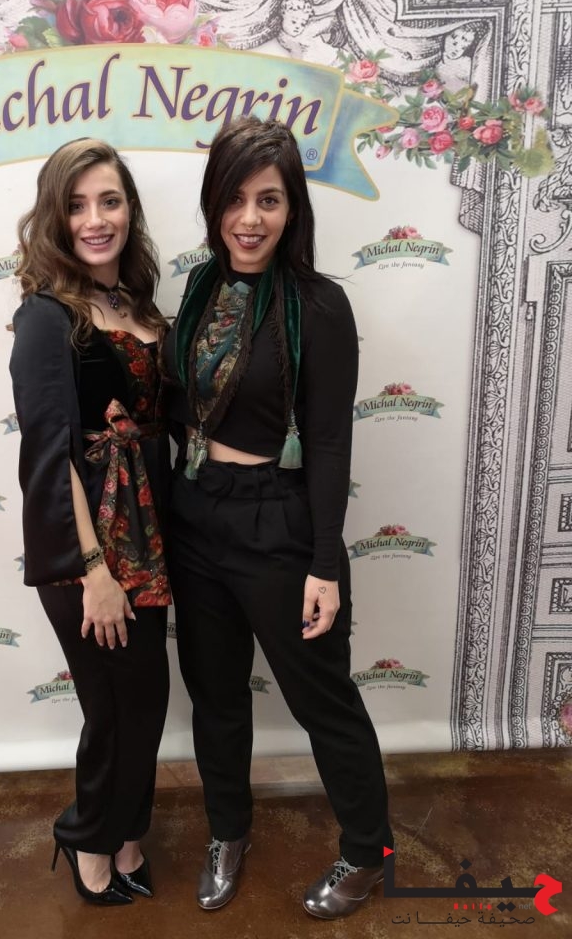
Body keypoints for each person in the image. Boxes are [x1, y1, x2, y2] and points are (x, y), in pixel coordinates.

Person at [163, 116, 394, 919]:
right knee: (216, 694)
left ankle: (369, 852)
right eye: (234, 199)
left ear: (293, 207)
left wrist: (325, 563)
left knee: (324, 700)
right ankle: (228, 831)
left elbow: (328, 443)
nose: (249, 218)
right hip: (198, 516)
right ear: (214, 204)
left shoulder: (320, 306)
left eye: (268, 199)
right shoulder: (200, 288)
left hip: (280, 524)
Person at [9, 139, 171, 906]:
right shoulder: (47, 317)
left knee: (147, 700)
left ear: (129, 208)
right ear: (55, 217)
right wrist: (92, 571)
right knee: (113, 708)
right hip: (91, 553)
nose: (95, 219)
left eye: (109, 201)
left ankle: (128, 833)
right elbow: (50, 454)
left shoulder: (137, 303)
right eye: (76, 206)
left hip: (150, 539)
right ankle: (86, 840)